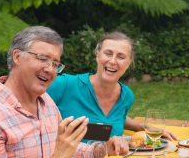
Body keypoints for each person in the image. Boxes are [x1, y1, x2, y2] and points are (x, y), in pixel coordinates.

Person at [0, 26, 128, 158]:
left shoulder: (46, 102)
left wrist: (102, 149)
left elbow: (59, 147)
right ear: (17, 57)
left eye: (55, 64)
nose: (50, 69)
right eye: (42, 59)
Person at [47, 31, 176, 140]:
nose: (112, 61)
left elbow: (116, 118)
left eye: (120, 57)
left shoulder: (126, 96)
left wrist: (148, 129)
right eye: (108, 53)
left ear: (129, 63)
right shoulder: (64, 85)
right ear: (97, 55)